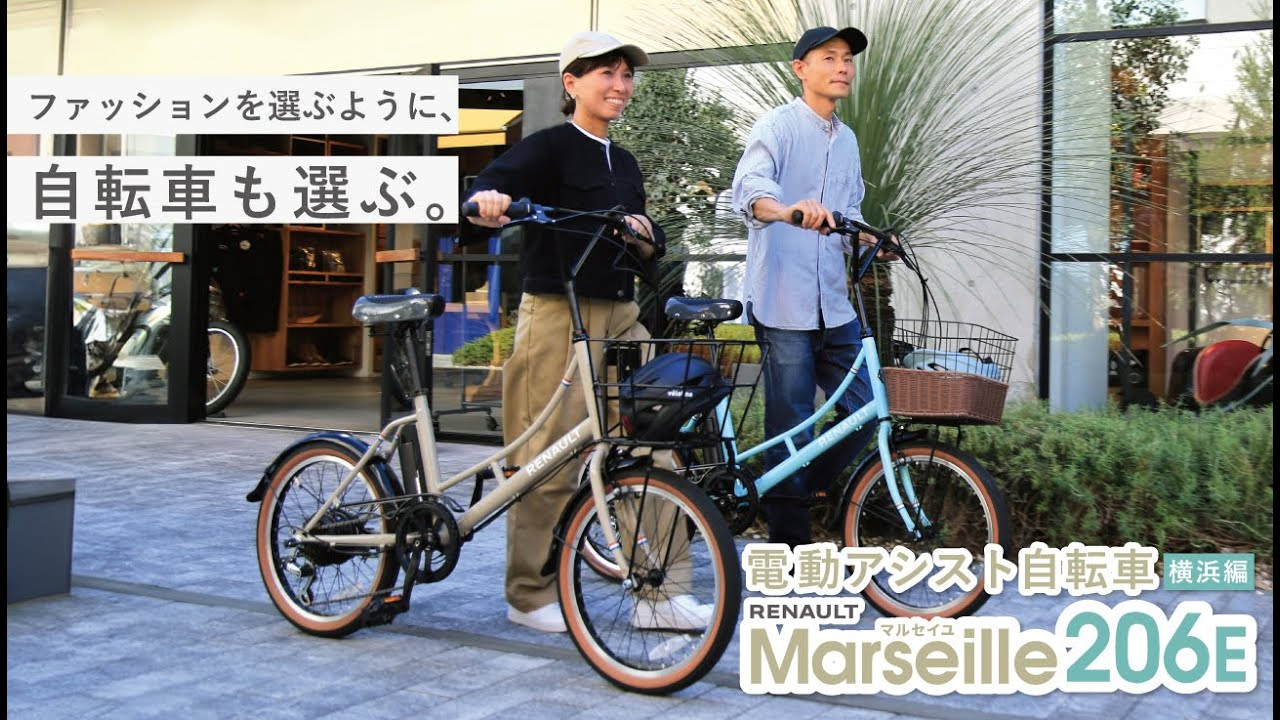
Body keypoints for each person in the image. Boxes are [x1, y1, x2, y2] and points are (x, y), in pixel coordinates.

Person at [465, 31, 707, 633]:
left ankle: (659, 592)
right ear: (571, 83)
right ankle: (529, 595)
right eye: (607, 74)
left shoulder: (625, 162)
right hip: (557, 312)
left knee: (655, 441)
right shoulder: (547, 148)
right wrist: (489, 201)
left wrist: (645, 233)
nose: (620, 85)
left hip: (621, 313)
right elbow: (483, 192)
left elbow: (649, 243)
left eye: (627, 75)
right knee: (547, 456)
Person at [730, 26, 892, 548]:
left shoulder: (847, 141)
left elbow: (848, 215)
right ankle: (789, 544)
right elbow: (751, 192)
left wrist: (870, 238)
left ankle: (797, 489)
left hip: (834, 304)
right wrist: (787, 211)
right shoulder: (777, 125)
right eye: (830, 58)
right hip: (783, 301)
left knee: (866, 408)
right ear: (800, 69)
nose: (843, 67)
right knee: (792, 424)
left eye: (847, 59)